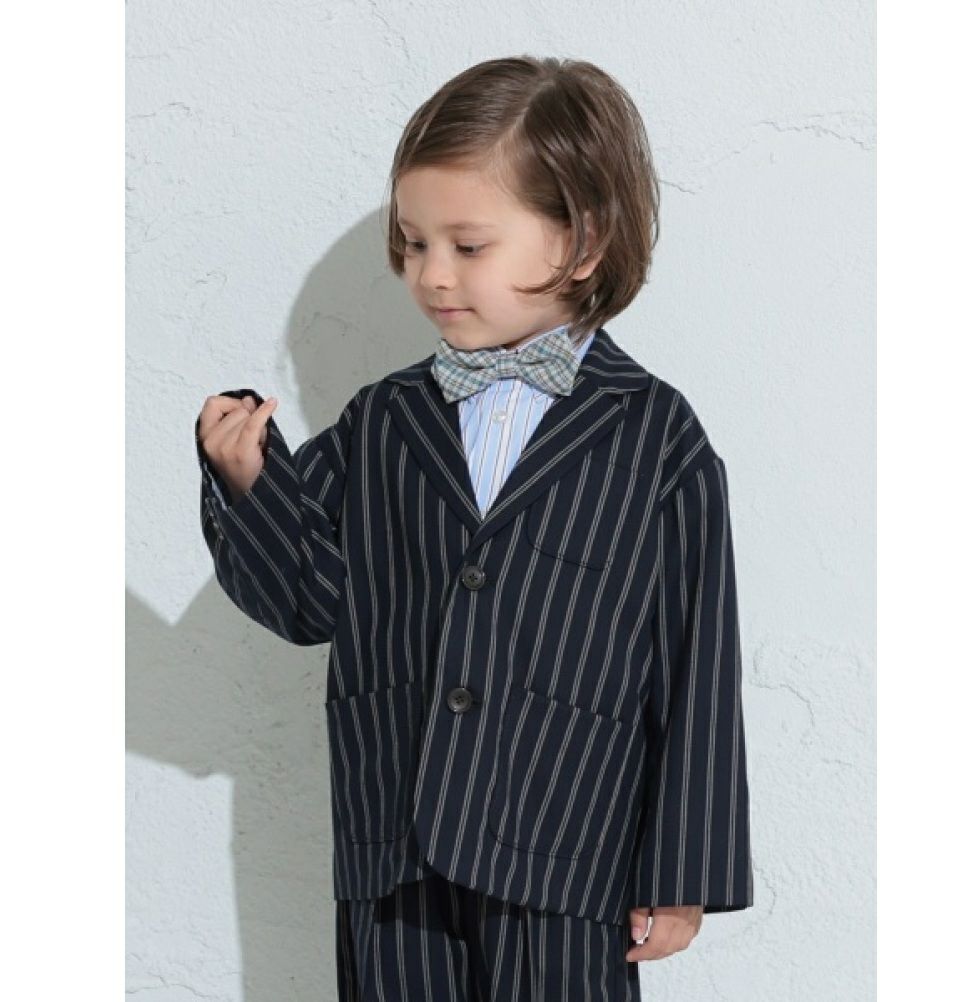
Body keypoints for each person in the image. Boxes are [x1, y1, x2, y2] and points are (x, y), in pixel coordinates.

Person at [196, 55, 753, 1001]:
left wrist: (684, 871)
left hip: (567, 851)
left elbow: (696, 657)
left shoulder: (658, 435)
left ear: (583, 242)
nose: (431, 275)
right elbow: (309, 603)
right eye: (414, 243)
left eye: (468, 245)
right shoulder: (382, 420)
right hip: (394, 844)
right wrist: (250, 481)